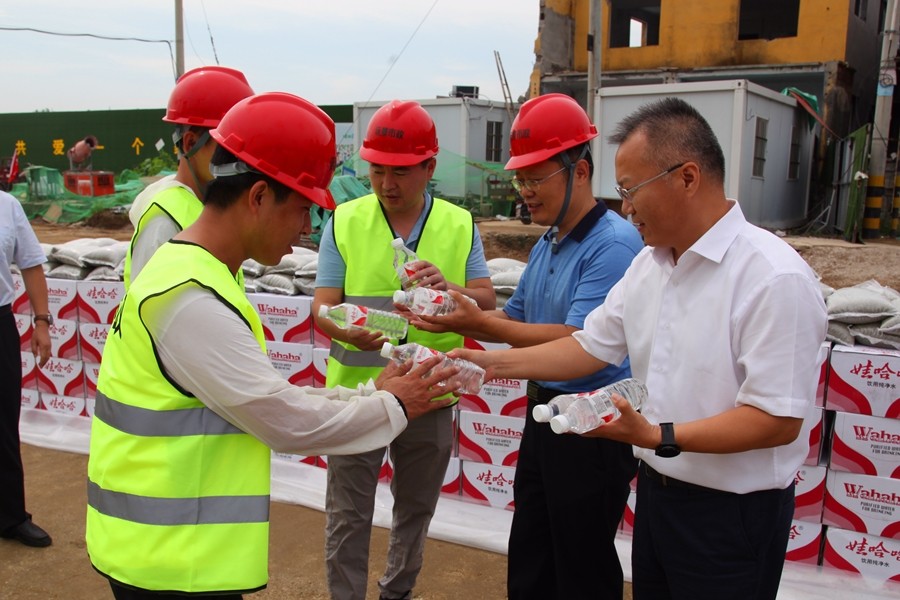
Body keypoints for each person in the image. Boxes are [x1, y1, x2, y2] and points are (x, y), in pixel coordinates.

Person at [85, 92, 462, 600]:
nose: (306, 230)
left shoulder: (196, 274)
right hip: (168, 561)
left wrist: (371, 393)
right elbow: (283, 420)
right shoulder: (189, 298)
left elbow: (264, 397)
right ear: (259, 196)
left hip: (173, 549)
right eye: (303, 209)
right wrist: (393, 404)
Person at [450, 97, 828, 600]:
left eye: (631, 190)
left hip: (731, 515)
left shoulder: (773, 277)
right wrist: (487, 362)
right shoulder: (650, 266)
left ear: (687, 177)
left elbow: (777, 418)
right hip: (657, 492)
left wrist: (655, 434)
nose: (624, 207)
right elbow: (589, 346)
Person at [408, 93, 643, 600]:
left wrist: (483, 336)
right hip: (546, 419)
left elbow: (579, 341)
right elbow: (515, 319)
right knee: (534, 556)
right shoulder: (548, 242)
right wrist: (459, 310)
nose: (525, 192)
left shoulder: (613, 245)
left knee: (580, 568)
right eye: (521, 180)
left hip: (592, 427)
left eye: (536, 178)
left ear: (581, 172)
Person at [313, 99, 495, 600]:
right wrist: (343, 331)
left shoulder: (459, 224)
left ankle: (397, 592)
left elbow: (485, 301)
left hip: (431, 393)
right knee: (348, 513)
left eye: (400, 171)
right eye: (377, 170)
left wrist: (450, 287)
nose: (386, 183)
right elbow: (322, 306)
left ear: (429, 167)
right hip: (359, 394)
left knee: (415, 510)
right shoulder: (344, 220)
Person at [123, 65, 254, 288]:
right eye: (229, 149)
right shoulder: (164, 222)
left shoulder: (210, 208)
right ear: (191, 143)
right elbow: (150, 306)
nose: (239, 161)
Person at [0, 189, 52, 548]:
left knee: (4, 423)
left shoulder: (7, 206)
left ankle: (11, 516)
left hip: (0, 323)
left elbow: (31, 264)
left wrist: (42, 322)